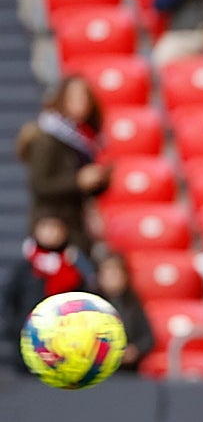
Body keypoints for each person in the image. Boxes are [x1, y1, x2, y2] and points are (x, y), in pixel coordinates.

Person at [15, 76, 110, 257]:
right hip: (53, 227)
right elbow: (39, 184)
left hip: (76, 223)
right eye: (74, 97)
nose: (81, 103)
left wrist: (100, 181)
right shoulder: (47, 138)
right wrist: (78, 181)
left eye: (85, 97)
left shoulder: (85, 139)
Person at [3, 217, 96, 368]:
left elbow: (90, 295)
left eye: (56, 228)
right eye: (46, 228)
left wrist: (80, 264)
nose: (51, 233)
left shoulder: (74, 265)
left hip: (67, 342)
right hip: (29, 341)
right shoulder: (25, 267)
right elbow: (10, 299)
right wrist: (15, 328)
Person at [95, 253, 154, 372]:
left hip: (127, 371)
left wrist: (135, 350)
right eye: (108, 273)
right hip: (97, 369)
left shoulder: (133, 303)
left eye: (116, 273)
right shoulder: (91, 304)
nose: (113, 278)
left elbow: (148, 338)